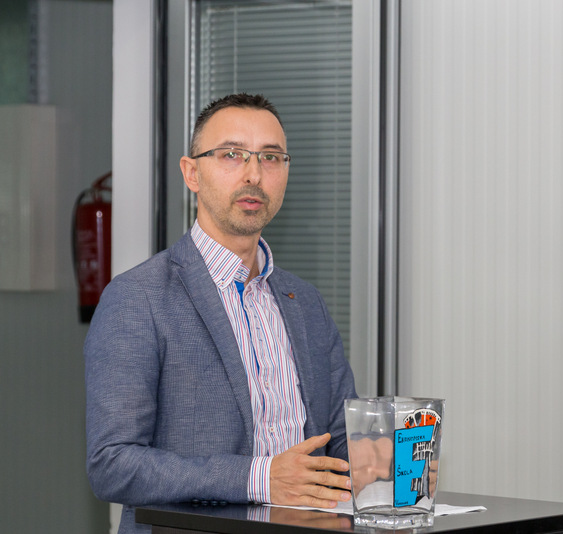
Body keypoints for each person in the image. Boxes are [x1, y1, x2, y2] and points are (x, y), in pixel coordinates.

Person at [85, 93, 358, 533]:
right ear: (191, 173)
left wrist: (385, 464)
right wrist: (259, 478)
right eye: (232, 154)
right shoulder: (137, 298)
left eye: (270, 157)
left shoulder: (305, 303)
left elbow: (341, 439)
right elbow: (112, 465)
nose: (254, 174)